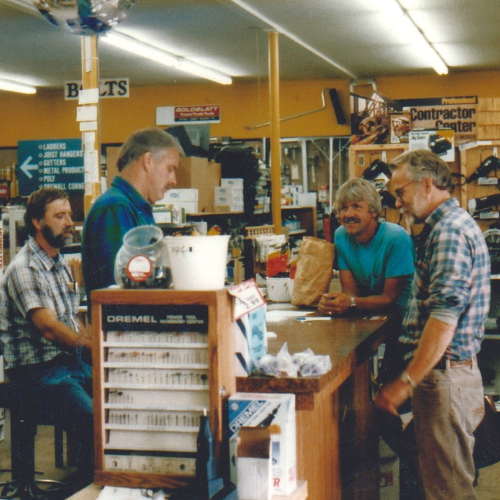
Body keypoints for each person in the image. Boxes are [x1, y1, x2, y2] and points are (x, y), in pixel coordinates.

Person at [374, 149, 491, 500]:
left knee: (448, 491)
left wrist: (405, 383)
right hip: (443, 377)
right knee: (444, 484)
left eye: (401, 193)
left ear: (426, 184)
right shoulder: (442, 228)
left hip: (443, 379)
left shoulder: (449, 233)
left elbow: (443, 320)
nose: (399, 203)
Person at [0, 188, 94, 476]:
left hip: (65, 363)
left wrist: (93, 349)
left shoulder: (58, 261)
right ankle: (88, 484)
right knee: (91, 419)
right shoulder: (25, 268)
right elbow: (50, 328)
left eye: (70, 215)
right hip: (35, 371)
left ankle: (87, 473)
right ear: (38, 223)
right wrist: (92, 347)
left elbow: (69, 317)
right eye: (60, 216)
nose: (70, 223)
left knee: (117, 399)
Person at [82, 127, 184, 301]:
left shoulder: (136, 209)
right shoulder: (116, 208)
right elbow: (124, 285)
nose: (173, 181)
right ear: (148, 160)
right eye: (170, 169)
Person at [318, 178, 414, 319]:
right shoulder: (341, 236)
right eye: (344, 208)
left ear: (373, 211)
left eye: (356, 207)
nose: (349, 214)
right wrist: (336, 303)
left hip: (403, 320)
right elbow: (350, 293)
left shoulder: (396, 237)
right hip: (368, 317)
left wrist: (350, 302)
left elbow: (389, 299)